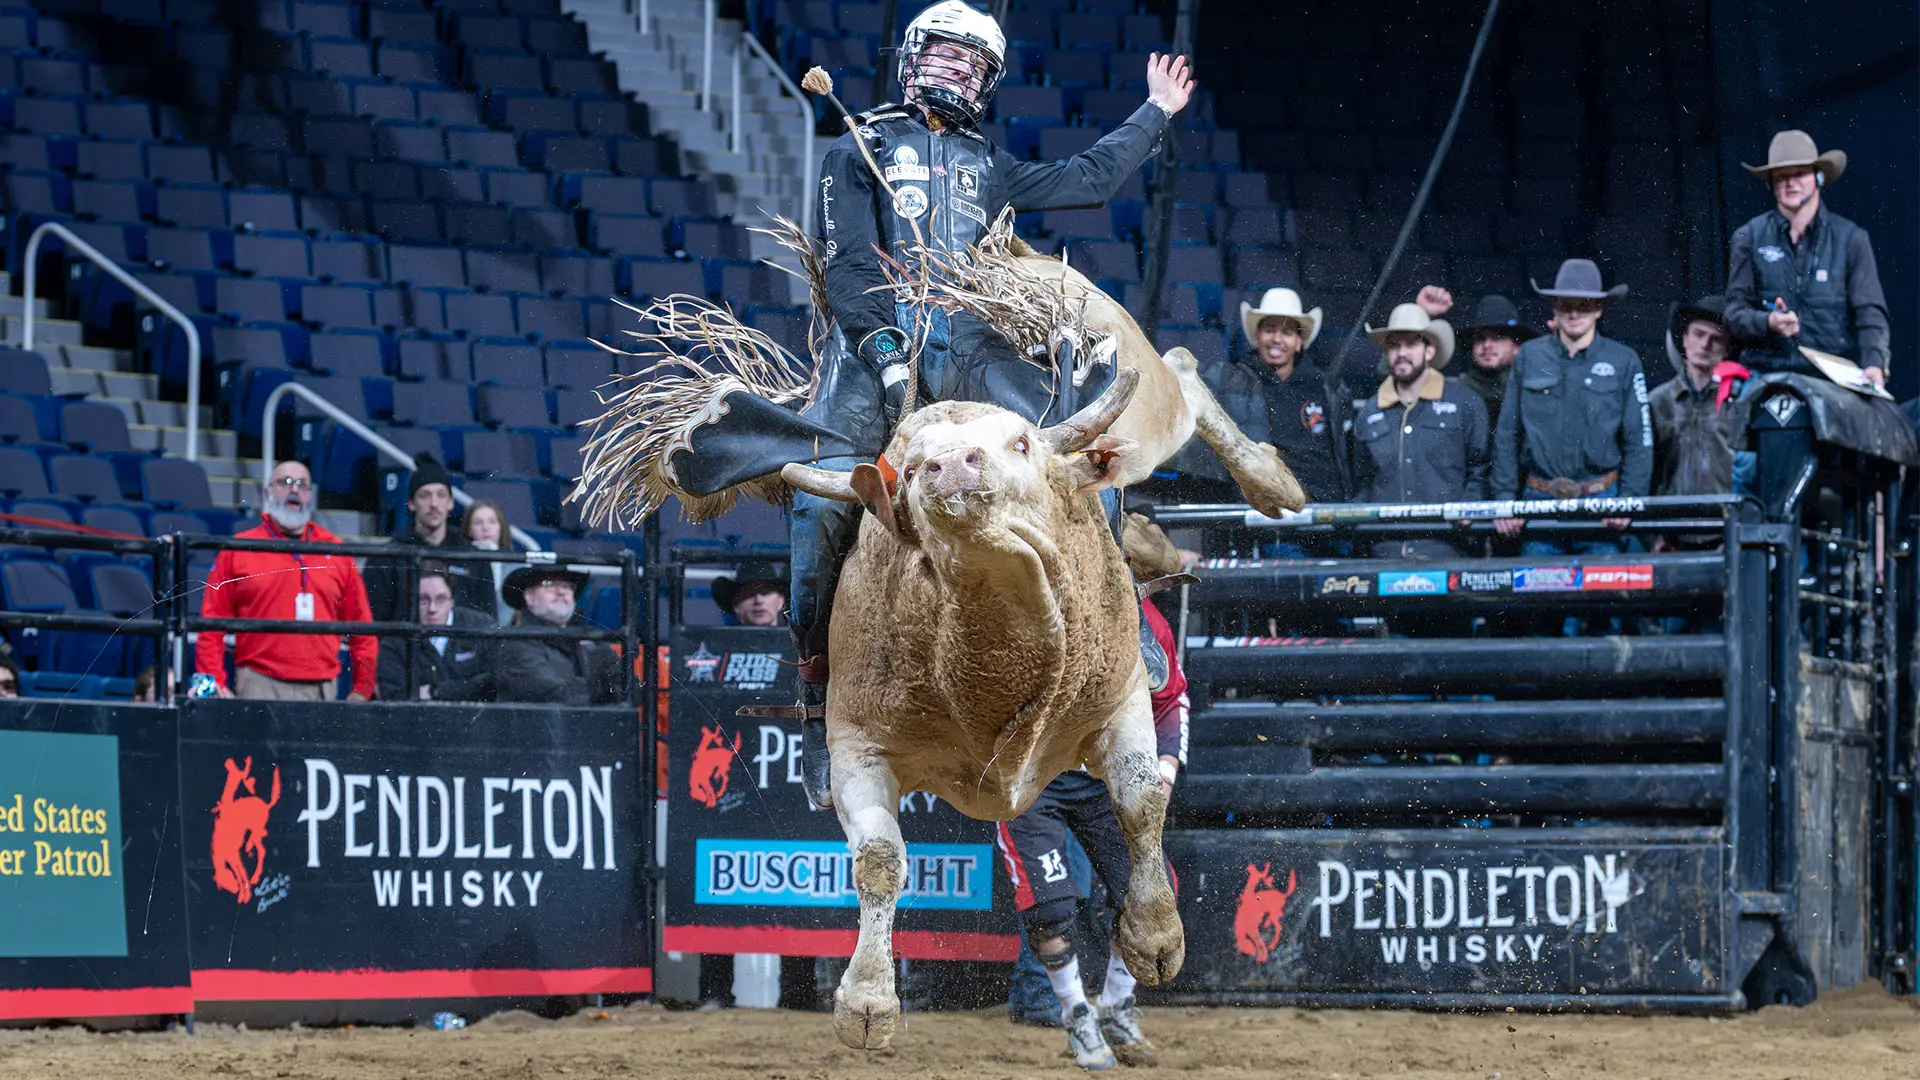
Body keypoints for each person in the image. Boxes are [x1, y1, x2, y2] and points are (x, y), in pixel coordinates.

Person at [789, 0, 1195, 809]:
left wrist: (1158, 112)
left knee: (1073, 458)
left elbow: (1087, 182)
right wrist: (877, 343)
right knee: (823, 503)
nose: (954, 70)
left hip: (971, 340)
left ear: (988, 81)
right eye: (942, 55)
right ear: (911, 60)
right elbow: (844, 267)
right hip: (873, 345)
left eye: (970, 63)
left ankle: (1117, 626)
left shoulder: (991, 163)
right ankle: (816, 692)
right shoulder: (856, 145)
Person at [996, 596, 1188, 1070]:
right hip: (1030, 779)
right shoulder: (1014, 603)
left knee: (1145, 893)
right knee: (1051, 907)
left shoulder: (1138, 613)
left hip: (1104, 775)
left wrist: (1164, 768)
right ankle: (1077, 1015)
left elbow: (1169, 696)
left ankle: (1117, 1006)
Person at [1490, 259, 1652, 553]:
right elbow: (1507, 433)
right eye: (1566, 304)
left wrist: (1629, 500)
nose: (1574, 312)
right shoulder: (1529, 356)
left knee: (1605, 593)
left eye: (1584, 304)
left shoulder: (1623, 360)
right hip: (1539, 500)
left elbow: (1639, 438)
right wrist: (1504, 499)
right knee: (1539, 593)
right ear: (1554, 306)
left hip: (1602, 503)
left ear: (1599, 309)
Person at [195, 460, 377, 701]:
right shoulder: (238, 548)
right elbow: (211, 622)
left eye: (302, 485)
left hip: (321, 688)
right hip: (258, 685)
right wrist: (214, 682)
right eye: (286, 482)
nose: (294, 490)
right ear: (267, 493)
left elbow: (361, 625)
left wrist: (362, 689)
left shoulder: (336, 551)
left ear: (310, 495)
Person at [1724, 130, 1889, 386]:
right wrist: (1767, 322)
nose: (1791, 183)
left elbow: (1869, 312)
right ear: (1771, 184)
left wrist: (1874, 364)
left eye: (1799, 173)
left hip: (1831, 378)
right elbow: (1733, 314)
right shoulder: (1748, 236)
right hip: (1764, 375)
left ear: (1818, 177)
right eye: (1781, 177)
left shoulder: (1851, 238)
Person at [1350, 303, 1488, 557]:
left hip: (1448, 548)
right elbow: (1363, 484)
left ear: (1429, 350)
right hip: (1386, 551)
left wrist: (1471, 507)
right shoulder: (1369, 413)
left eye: (1411, 344)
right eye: (1394, 345)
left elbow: (1480, 471)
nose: (1402, 352)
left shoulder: (1465, 404)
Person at [362, 454, 491, 623]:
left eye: (441, 495)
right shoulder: (386, 557)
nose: (434, 504)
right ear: (412, 503)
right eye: (425, 495)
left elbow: (488, 622)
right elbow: (373, 623)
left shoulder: (474, 558)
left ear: (451, 503)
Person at [1650, 295, 1742, 503]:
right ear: (1684, 338)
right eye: (1698, 334)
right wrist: (1652, 535)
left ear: (1727, 348)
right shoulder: (1659, 402)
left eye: (1716, 338)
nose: (1705, 344)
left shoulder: (1738, 400)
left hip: (1724, 523)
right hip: (1670, 523)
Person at [495, 565, 620, 706]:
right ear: (529, 597)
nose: (561, 591)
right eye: (549, 584)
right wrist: (604, 684)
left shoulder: (592, 638)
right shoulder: (517, 644)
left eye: (567, 586)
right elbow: (555, 696)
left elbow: (631, 690)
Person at [376, 563, 498, 703]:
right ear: (413, 601)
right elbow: (394, 696)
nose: (432, 608)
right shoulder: (395, 639)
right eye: (423, 600)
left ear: (452, 600)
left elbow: (494, 682)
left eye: (441, 599)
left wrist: (435, 691)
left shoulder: (482, 626)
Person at [1420, 290, 1537, 421]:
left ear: (1516, 346)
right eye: (1480, 338)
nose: (1487, 345)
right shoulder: (1451, 390)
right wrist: (1420, 313)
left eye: (1497, 337)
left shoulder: (1531, 391)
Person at [462, 497, 520, 624]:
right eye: (478, 523)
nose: (485, 528)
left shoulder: (516, 565)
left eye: (492, 522)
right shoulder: (462, 563)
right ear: (469, 530)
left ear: (500, 526)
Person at [713, 562, 786, 627]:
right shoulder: (719, 642)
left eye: (765, 593)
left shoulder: (795, 640)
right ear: (735, 604)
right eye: (749, 594)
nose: (758, 600)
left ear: (780, 601)